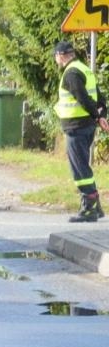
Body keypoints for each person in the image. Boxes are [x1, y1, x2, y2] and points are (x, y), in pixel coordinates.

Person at [53, 38, 109, 223]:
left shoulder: (71, 73)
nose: (56, 60)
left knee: (79, 168)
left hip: (76, 127)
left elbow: (82, 98)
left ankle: (88, 207)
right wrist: (101, 116)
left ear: (61, 56)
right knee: (83, 163)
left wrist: (96, 116)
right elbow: (100, 99)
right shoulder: (85, 70)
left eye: (56, 57)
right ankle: (97, 207)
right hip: (86, 126)